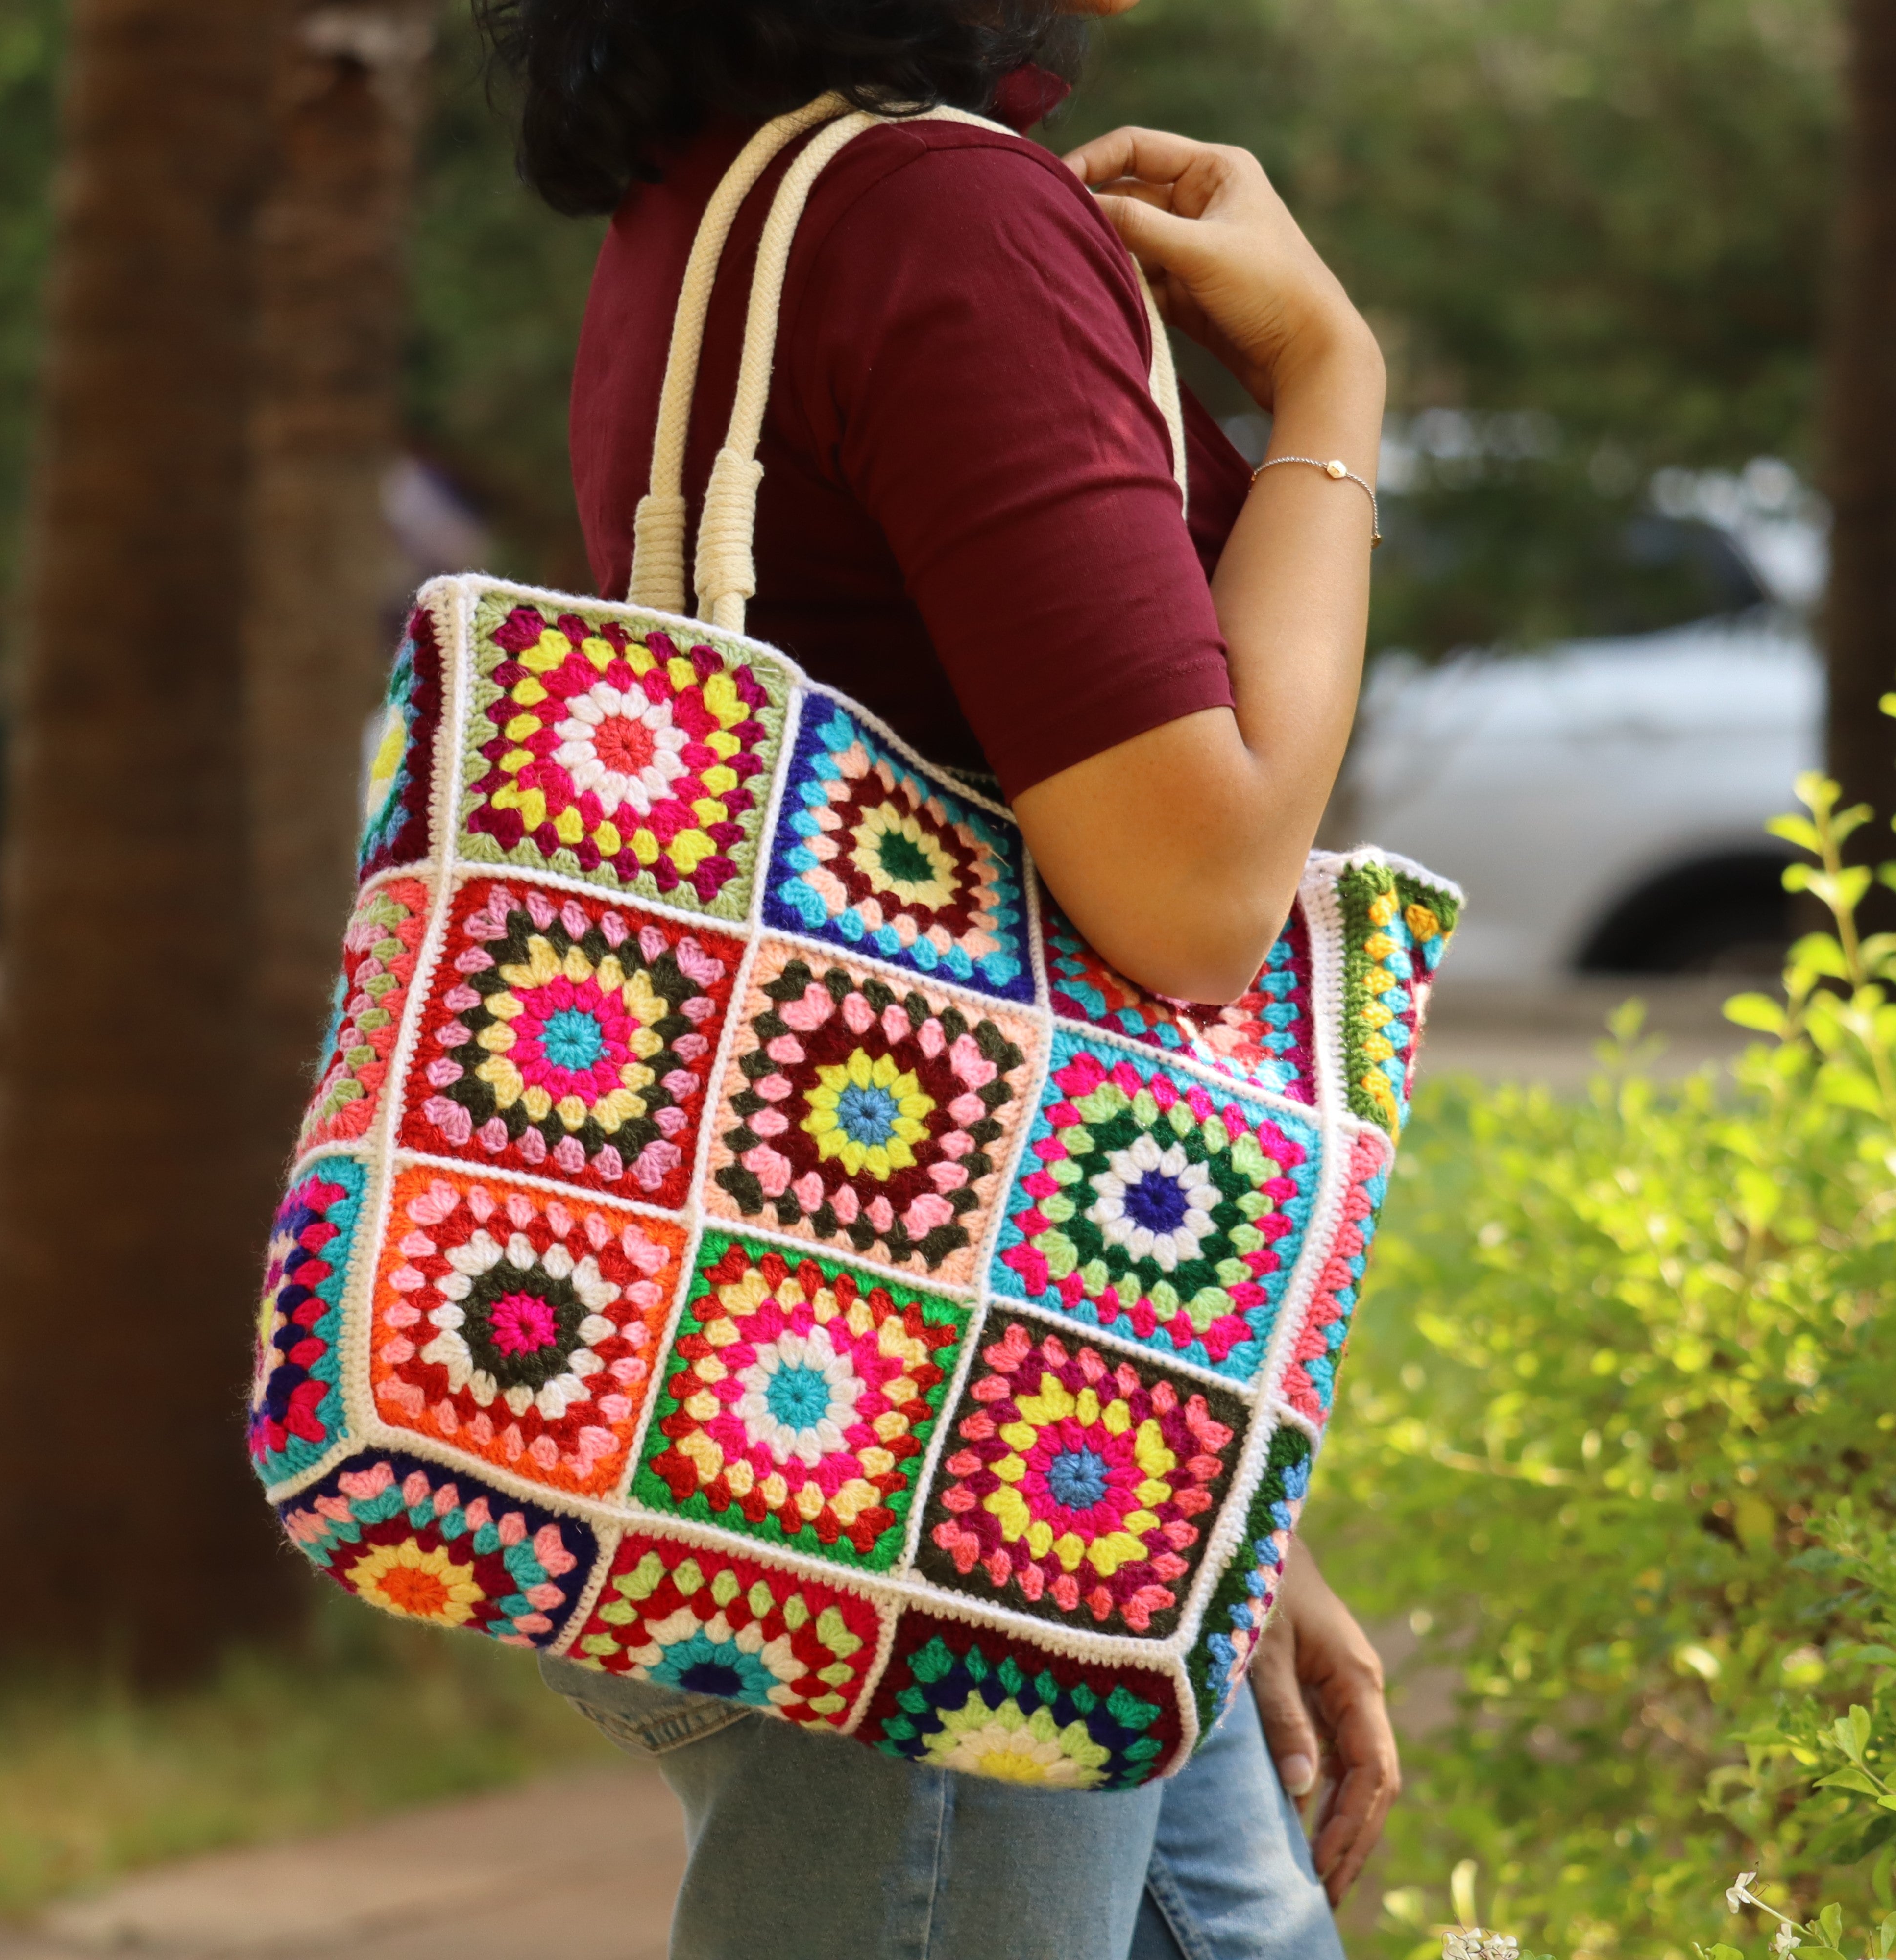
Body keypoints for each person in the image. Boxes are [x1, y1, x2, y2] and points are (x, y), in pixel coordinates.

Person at [478, 2, 1402, 1953]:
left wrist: (1233, 1510)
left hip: (976, 1390)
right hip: (933, 1472)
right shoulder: (935, 222)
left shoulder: (716, 198)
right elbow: (1196, 891)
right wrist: (1331, 382)